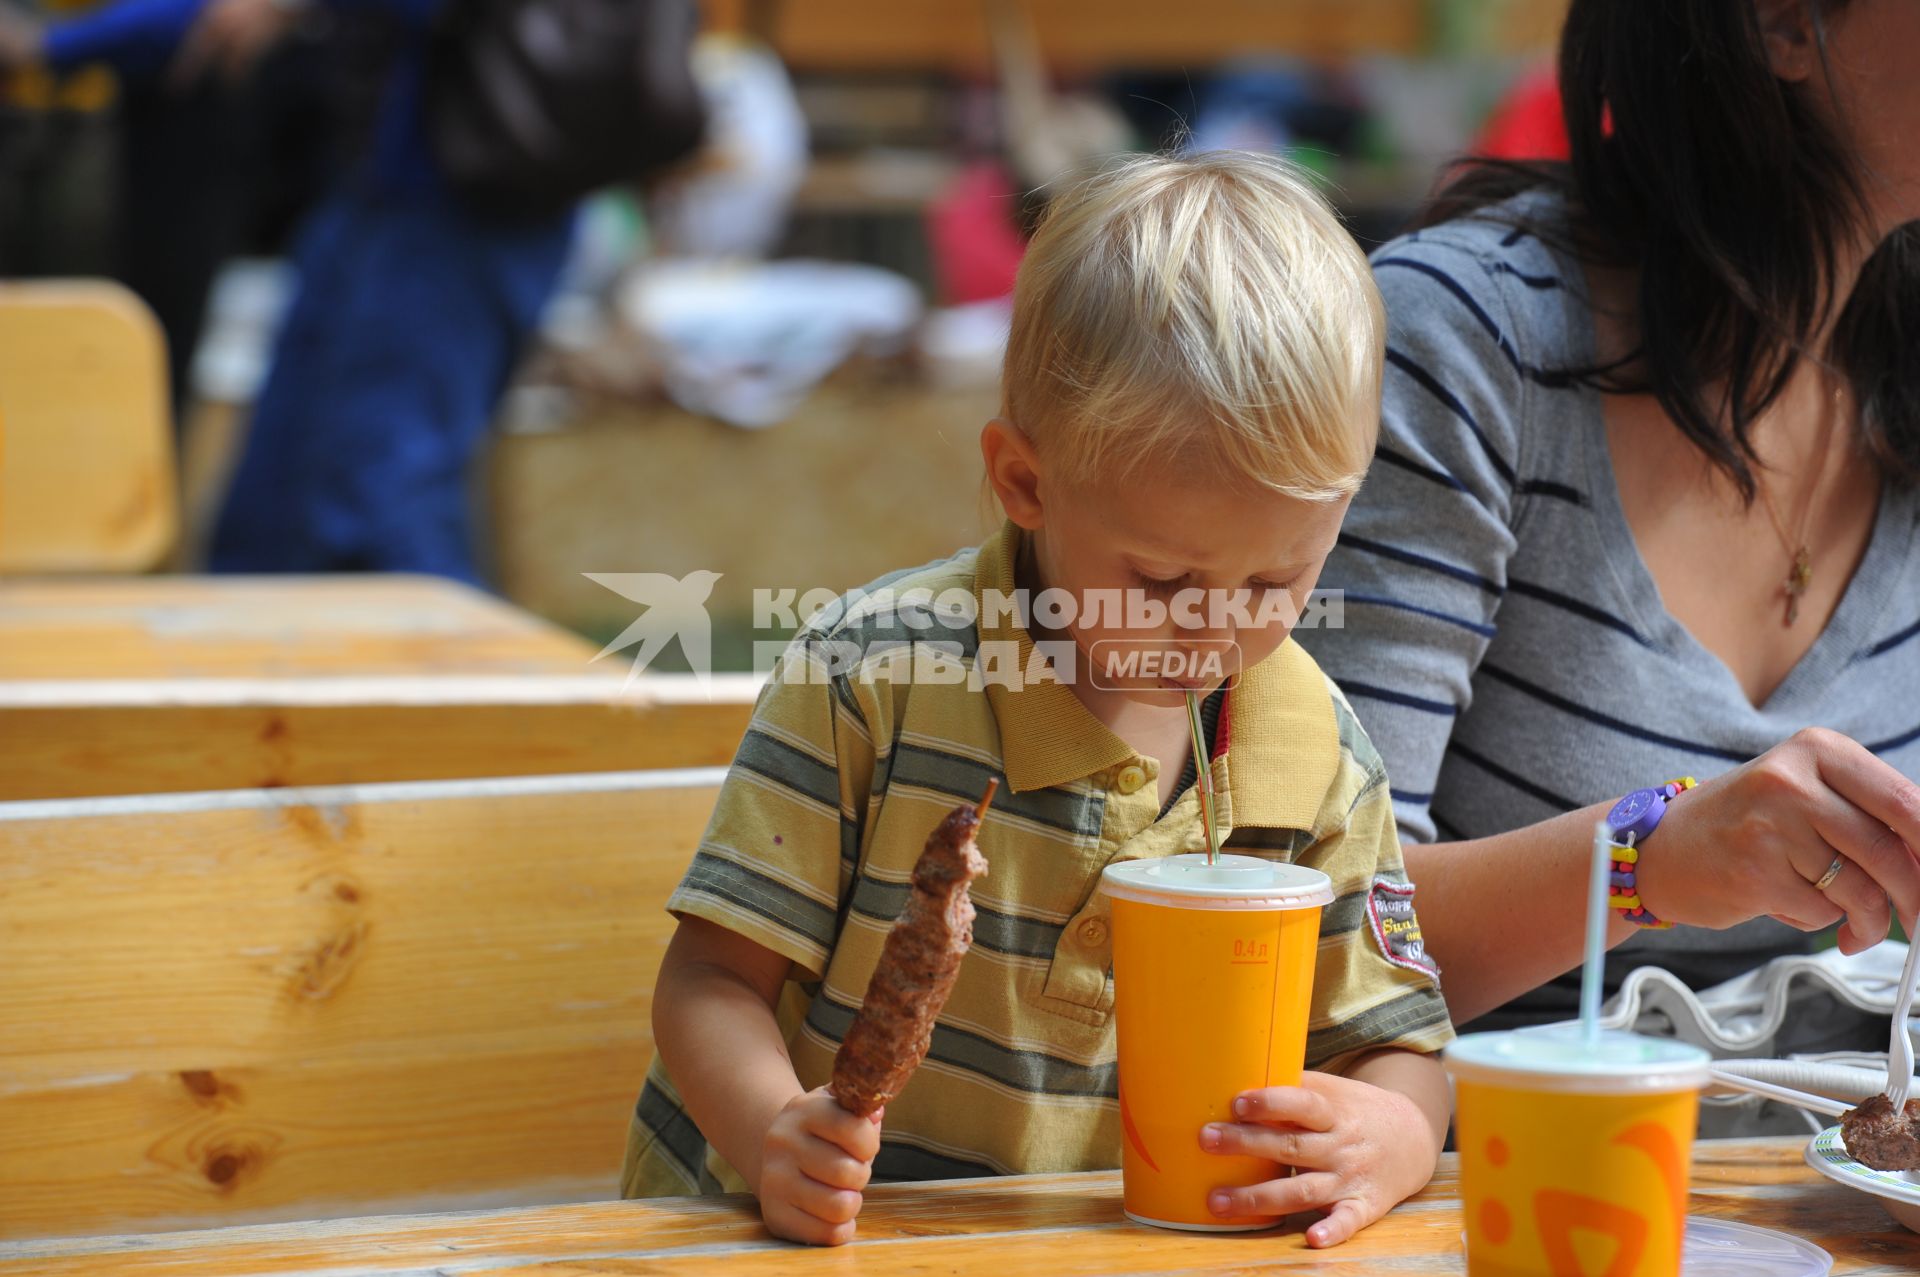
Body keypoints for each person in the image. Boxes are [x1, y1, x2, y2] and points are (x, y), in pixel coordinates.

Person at [620, 152, 1454, 1248]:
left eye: (1278, 579)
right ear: (1025, 482)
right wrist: (778, 1128)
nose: (1218, 627)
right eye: (1162, 580)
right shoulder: (877, 678)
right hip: (788, 1238)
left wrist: (1392, 1127)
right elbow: (710, 976)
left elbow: (1396, 1039)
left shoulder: (1314, 751)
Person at [1296, 0, 1920, 1053]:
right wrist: (1650, 859)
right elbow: (1307, 932)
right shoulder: (1467, 341)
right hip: (1501, 1184)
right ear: (1780, 21)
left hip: (1836, 1196)